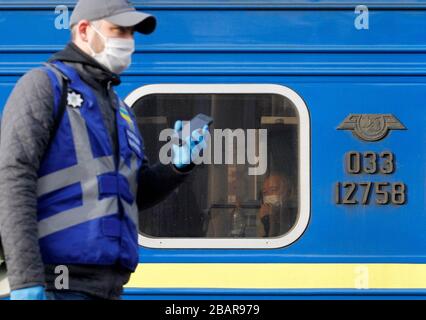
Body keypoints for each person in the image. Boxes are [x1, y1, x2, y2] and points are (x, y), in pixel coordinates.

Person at [0, 0, 209, 300]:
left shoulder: (120, 109)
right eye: (119, 30)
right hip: (55, 284)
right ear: (84, 30)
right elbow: (11, 180)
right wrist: (24, 279)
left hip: (108, 287)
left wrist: (178, 166)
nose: (128, 41)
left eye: (131, 34)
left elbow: (133, 194)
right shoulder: (44, 86)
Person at [256, 173, 296, 237]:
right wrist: (266, 220)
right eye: (264, 192)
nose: (268, 195)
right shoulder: (262, 215)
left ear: (288, 192)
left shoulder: (297, 216)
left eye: (273, 190)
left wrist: (273, 221)